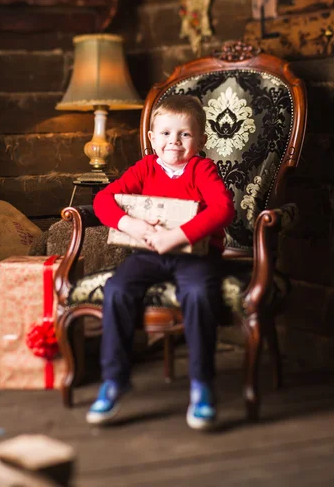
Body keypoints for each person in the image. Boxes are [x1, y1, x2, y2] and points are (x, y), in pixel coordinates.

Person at [86, 94, 234, 430]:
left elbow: (223, 209)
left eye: (184, 134)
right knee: (118, 289)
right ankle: (114, 379)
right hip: (148, 252)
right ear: (152, 138)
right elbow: (103, 200)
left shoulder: (202, 169)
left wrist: (178, 235)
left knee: (197, 293)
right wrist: (131, 224)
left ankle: (201, 384)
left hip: (194, 255)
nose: (174, 142)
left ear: (201, 140)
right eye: (166, 133)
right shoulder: (145, 169)